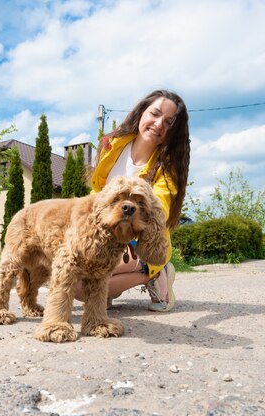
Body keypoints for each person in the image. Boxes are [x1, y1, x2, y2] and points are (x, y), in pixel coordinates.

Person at [74, 89, 190, 312]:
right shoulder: (113, 145)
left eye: (168, 122)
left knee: (82, 288)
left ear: (173, 131)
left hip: (138, 242)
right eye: (154, 114)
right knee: (70, 268)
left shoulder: (167, 169)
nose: (158, 124)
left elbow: (159, 210)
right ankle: (109, 288)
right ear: (141, 112)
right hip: (106, 233)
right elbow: (97, 193)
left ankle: (152, 275)